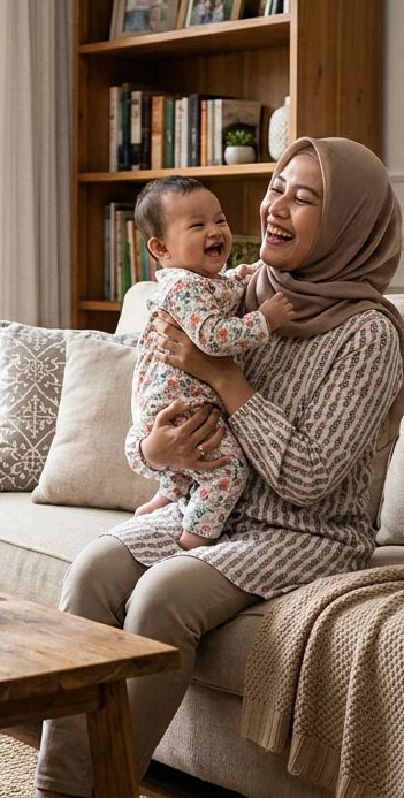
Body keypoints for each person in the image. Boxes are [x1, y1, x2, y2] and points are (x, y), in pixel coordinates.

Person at [35, 136, 404, 798]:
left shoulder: (367, 335)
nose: (275, 208)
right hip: (210, 508)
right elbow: (150, 409)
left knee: (160, 597)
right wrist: (153, 453)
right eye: (274, 188)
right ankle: (58, 791)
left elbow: (308, 479)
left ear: (350, 220)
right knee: (93, 569)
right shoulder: (225, 290)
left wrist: (220, 372)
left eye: (305, 197)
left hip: (306, 535)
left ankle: (110, 786)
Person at [124, 176, 294, 550]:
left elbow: (224, 289)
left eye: (220, 220)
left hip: (171, 400)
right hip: (176, 404)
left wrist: (241, 275)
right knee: (228, 469)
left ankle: (169, 495)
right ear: (161, 248)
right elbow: (214, 338)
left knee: (195, 456)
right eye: (198, 225)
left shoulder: (201, 280)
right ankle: (193, 540)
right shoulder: (183, 288)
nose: (215, 231)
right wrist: (264, 319)